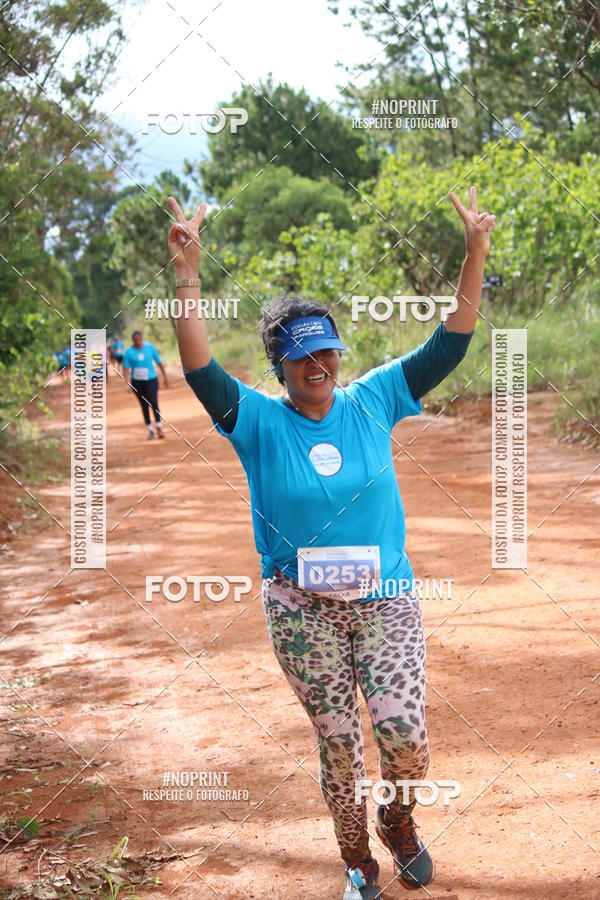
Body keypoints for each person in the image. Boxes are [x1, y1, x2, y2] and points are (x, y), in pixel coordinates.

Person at [168, 188, 495, 898]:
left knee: (405, 739)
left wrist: (474, 254)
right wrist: (186, 275)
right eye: (301, 357)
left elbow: (451, 343)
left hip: (386, 600)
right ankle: (356, 862)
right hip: (302, 610)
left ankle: (397, 821)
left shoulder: (375, 398)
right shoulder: (256, 422)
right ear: (279, 366)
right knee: (340, 744)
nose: (317, 365)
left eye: (326, 351)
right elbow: (198, 369)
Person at [123, 330, 168, 439]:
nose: (138, 342)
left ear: (142, 339)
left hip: (151, 380)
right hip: (137, 382)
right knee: (144, 405)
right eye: (135, 340)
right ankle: (150, 430)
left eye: (140, 339)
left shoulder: (150, 348)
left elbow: (159, 362)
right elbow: (126, 368)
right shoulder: (128, 352)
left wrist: (165, 377)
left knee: (154, 402)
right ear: (132, 341)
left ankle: (159, 427)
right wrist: (127, 383)